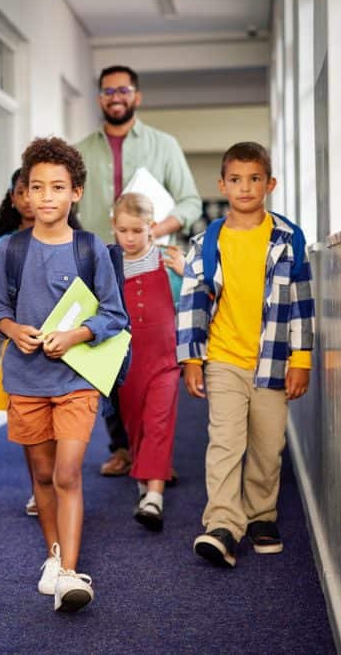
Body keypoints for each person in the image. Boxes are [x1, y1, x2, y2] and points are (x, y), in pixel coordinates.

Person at [0, 137, 127, 612]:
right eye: (37, 187)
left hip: (76, 381)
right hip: (25, 381)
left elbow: (114, 314)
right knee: (42, 476)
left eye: (58, 187)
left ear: (76, 193)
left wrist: (78, 335)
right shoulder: (11, 249)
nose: (46, 197)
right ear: (24, 193)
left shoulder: (91, 250)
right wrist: (10, 328)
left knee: (68, 473)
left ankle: (69, 574)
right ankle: (54, 555)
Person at [178, 142, 314, 567]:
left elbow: (302, 303)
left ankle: (261, 516)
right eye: (235, 179)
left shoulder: (288, 239)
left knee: (268, 444)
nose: (245, 187)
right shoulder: (206, 243)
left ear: (269, 184)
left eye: (255, 178)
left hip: (274, 358)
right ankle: (222, 524)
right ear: (222, 184)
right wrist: (192, 358)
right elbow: (192, 302)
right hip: (223, 358)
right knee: (225, 442)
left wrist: (302, 359)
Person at [75, 64, 202, 478]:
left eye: (123, 89)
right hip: (100, 267)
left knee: (154, 360)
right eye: (108, 90)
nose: (116, 96)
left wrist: (151, 231)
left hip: (152, 267)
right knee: (106, 353)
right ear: (99, 98)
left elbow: (190, 204)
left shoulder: (164, 146)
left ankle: (154, 452)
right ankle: (122, 447)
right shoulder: (80, 152)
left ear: (136, 96)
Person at [112, 193, 185, 531]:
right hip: (125, 361)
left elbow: (197, 302)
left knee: (159, 420)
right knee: (136, 423)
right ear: (114, 227)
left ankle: (154, 495)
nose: (130, 238)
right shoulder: (109, 265)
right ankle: (145, 477)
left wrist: (188, 275)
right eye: (123, 230)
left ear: (151, 228)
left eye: (137, 231)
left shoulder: (168, 262)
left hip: (165, 358)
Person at [0, 169, 40, 517]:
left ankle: (54, 482)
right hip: (18, 342)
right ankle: (39, 488)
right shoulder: (3, 244)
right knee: (27, 421)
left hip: (60, 341)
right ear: (13, 198)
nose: (29, 199)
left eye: (34, 190)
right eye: (21, 192)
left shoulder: (73, 239)